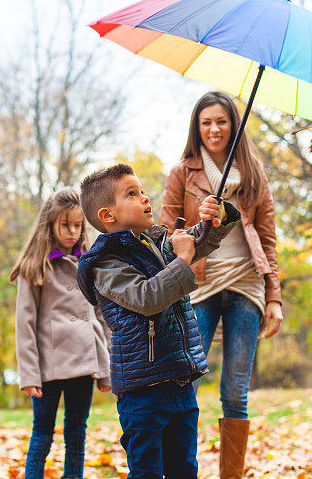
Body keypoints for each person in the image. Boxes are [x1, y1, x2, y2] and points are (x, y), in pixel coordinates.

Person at [76, 163, 240, 479]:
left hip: (179, 381)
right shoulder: (105, 265)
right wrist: (181, 260)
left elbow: (195, 240)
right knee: (147, 471)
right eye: (132, 194)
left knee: (184, 469)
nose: (145, 198)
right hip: (142, 392)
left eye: (142, 191)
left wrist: (216, 216)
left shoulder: (155, 242)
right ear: (108, 216)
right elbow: (147, 298)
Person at [158, 90, 283, 478]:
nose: (214, 128)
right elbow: (163, 234)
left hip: (247, 285)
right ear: (197, 127)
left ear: (234, 125)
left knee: (234, 391)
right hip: (199, 286)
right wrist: (199, 223)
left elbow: (267, 236)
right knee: (186, 382)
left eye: (222, 121)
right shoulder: (183, 172)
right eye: (206, 121)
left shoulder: (254, 173)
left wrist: (274, 296)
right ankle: (183, 471)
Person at [10, 188, 111, 479]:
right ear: (50, 224)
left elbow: (100, 317)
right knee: (41, 436)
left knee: (77, 435)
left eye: (78, 225)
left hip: (83, 365)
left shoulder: (90, 264)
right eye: (65, 224)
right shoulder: (35, 267)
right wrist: (29, 375)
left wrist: (106, 371)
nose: (72, 231)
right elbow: (25, 324)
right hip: (47, 369)